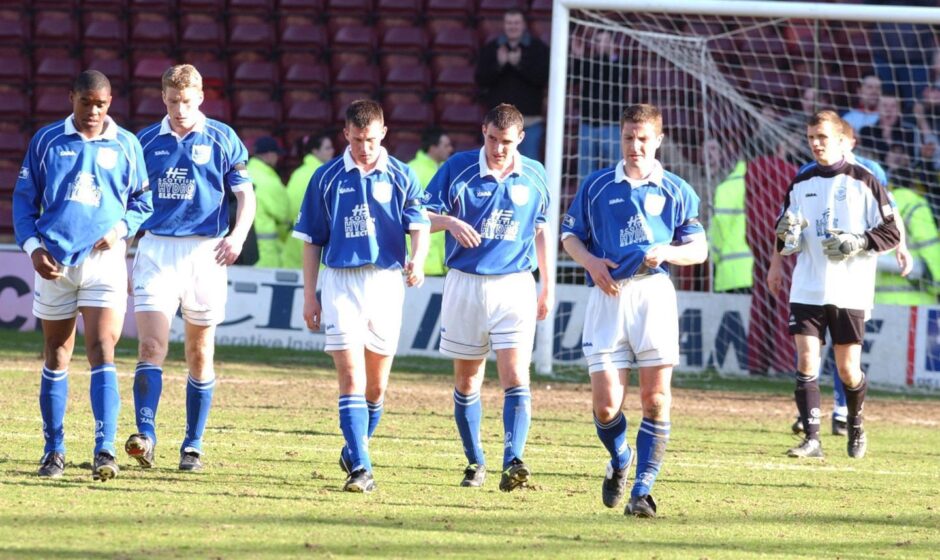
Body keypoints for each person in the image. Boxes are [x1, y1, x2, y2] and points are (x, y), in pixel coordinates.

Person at [561, 103, 707, 518]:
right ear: (621, 138)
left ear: (658, 140)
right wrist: (589, 262)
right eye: (629, 137)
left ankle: (642, 491)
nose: (635, 146)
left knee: (656, 399)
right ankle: (621, 459)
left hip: (654, 296)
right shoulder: (596, 186)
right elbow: (570, 235)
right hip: (608, 297)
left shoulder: (677, 189)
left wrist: (670, 252)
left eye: (643, 139)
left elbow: (699, 248)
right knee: (607, 407)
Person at [12, 70, 152, 480]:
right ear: (71, 96)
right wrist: (34, 249)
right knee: (56, 354)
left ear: (110, 103)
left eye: (101, 104)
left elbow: (143, 203)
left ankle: (105, 449)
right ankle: (53, 451)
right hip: (54, 262)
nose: (93, 110)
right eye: (86, 102)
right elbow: (23, 202)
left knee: (102, 350)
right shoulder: (46, 141)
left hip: (104, 263)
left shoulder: (126, 144)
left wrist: (120, 230)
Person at [125, 64, 257, 472]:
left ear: (200, 97)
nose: (179, 109)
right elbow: (126, 197)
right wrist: (126, 246)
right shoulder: (145, 141)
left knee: (200, 353)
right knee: (150, 348)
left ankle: (192, 443)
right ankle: (145, 436)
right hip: (156, 250)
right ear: (162, 98)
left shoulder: (221, 138)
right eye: (172, 101)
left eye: (186, 101)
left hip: (205, 253)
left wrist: (236, 237)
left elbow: (245, 196)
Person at [293, 100, 429, 493]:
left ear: (383, 133)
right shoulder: (326, 178)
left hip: (386, 283)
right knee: (350, 378)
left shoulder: (403, 176)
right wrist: (310, 296)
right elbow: (311, 241)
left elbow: (419, 225)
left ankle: (354, 446)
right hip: (341, 283)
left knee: (376, 387)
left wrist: (417, 261)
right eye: (356, 139)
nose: (364, 147)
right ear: (345, 135)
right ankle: (362, 468)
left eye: (370, 139)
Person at [423, 103, 553, 492]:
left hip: (515, 284)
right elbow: (418, 216)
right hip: (465, 282)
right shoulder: (458, 168)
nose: (498, 149)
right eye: (493, 139)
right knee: (468, 381)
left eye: (507, 142)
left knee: (516, 376)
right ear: (483, 131)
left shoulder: (534, 174)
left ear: (520, 140)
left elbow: (542, 230)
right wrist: (449, 221)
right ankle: (475, 460)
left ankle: (513, 459)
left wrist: (547, 284)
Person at [769, 110, 900, 461]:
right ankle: (812, 439)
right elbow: (786, 233)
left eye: (822, 137)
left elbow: (892, 231)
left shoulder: (865, 180)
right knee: (807, 360)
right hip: (808, 285)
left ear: (842, 141)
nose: (815, 143)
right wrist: (784, 248)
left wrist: (857, 242)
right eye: (811, 137)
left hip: (850, 289)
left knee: (846, 369)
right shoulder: (801, 181)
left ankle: (855, 422)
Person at [475, 9, 550, 162]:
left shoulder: (538, 49)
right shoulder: (491, 48)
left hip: (529, 123)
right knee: (495, 165)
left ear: (523, 25)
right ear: (504, 25)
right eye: (509, 23)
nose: (512, 26)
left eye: (516, 23)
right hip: (497, 124)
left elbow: (543, 79)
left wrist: (519, 65)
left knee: (527, 166)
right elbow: (480, 79)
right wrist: (499, 65)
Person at [571, 29, 630, 181]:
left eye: (603, 40)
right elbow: (573, 78)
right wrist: (577, 57)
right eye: (597, 41)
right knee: (585, 173)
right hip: (587, 126)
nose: (599, 44)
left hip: (611, 127)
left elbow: (613, 76)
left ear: (613, 43)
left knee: (615, 172)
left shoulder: (623, 64)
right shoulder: (588, 64)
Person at [284, 133, 335, 269]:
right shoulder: (325, 175)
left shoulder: (298, 173)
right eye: (327, 148)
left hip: (295, 239)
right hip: (318, 241)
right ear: (315, 151)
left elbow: (289, 208)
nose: (332, 151)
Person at [407, 127, 454, 276]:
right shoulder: (412, 170)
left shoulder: (445, 170)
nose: (450, 149)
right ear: (433, 147)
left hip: (441, 260)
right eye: (445, 145)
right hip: (420, 262)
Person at [708, 157, 752, 294]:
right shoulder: (777, 182)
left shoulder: (727, 188)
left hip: (733, 274)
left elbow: (719, 230)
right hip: (770, 272)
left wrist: (713, 256)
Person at [247, 136, 290, 269]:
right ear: (270, 155)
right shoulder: (271, 182)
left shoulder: (242, 174)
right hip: (265, 253)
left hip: (241, 251)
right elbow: (284, 218)